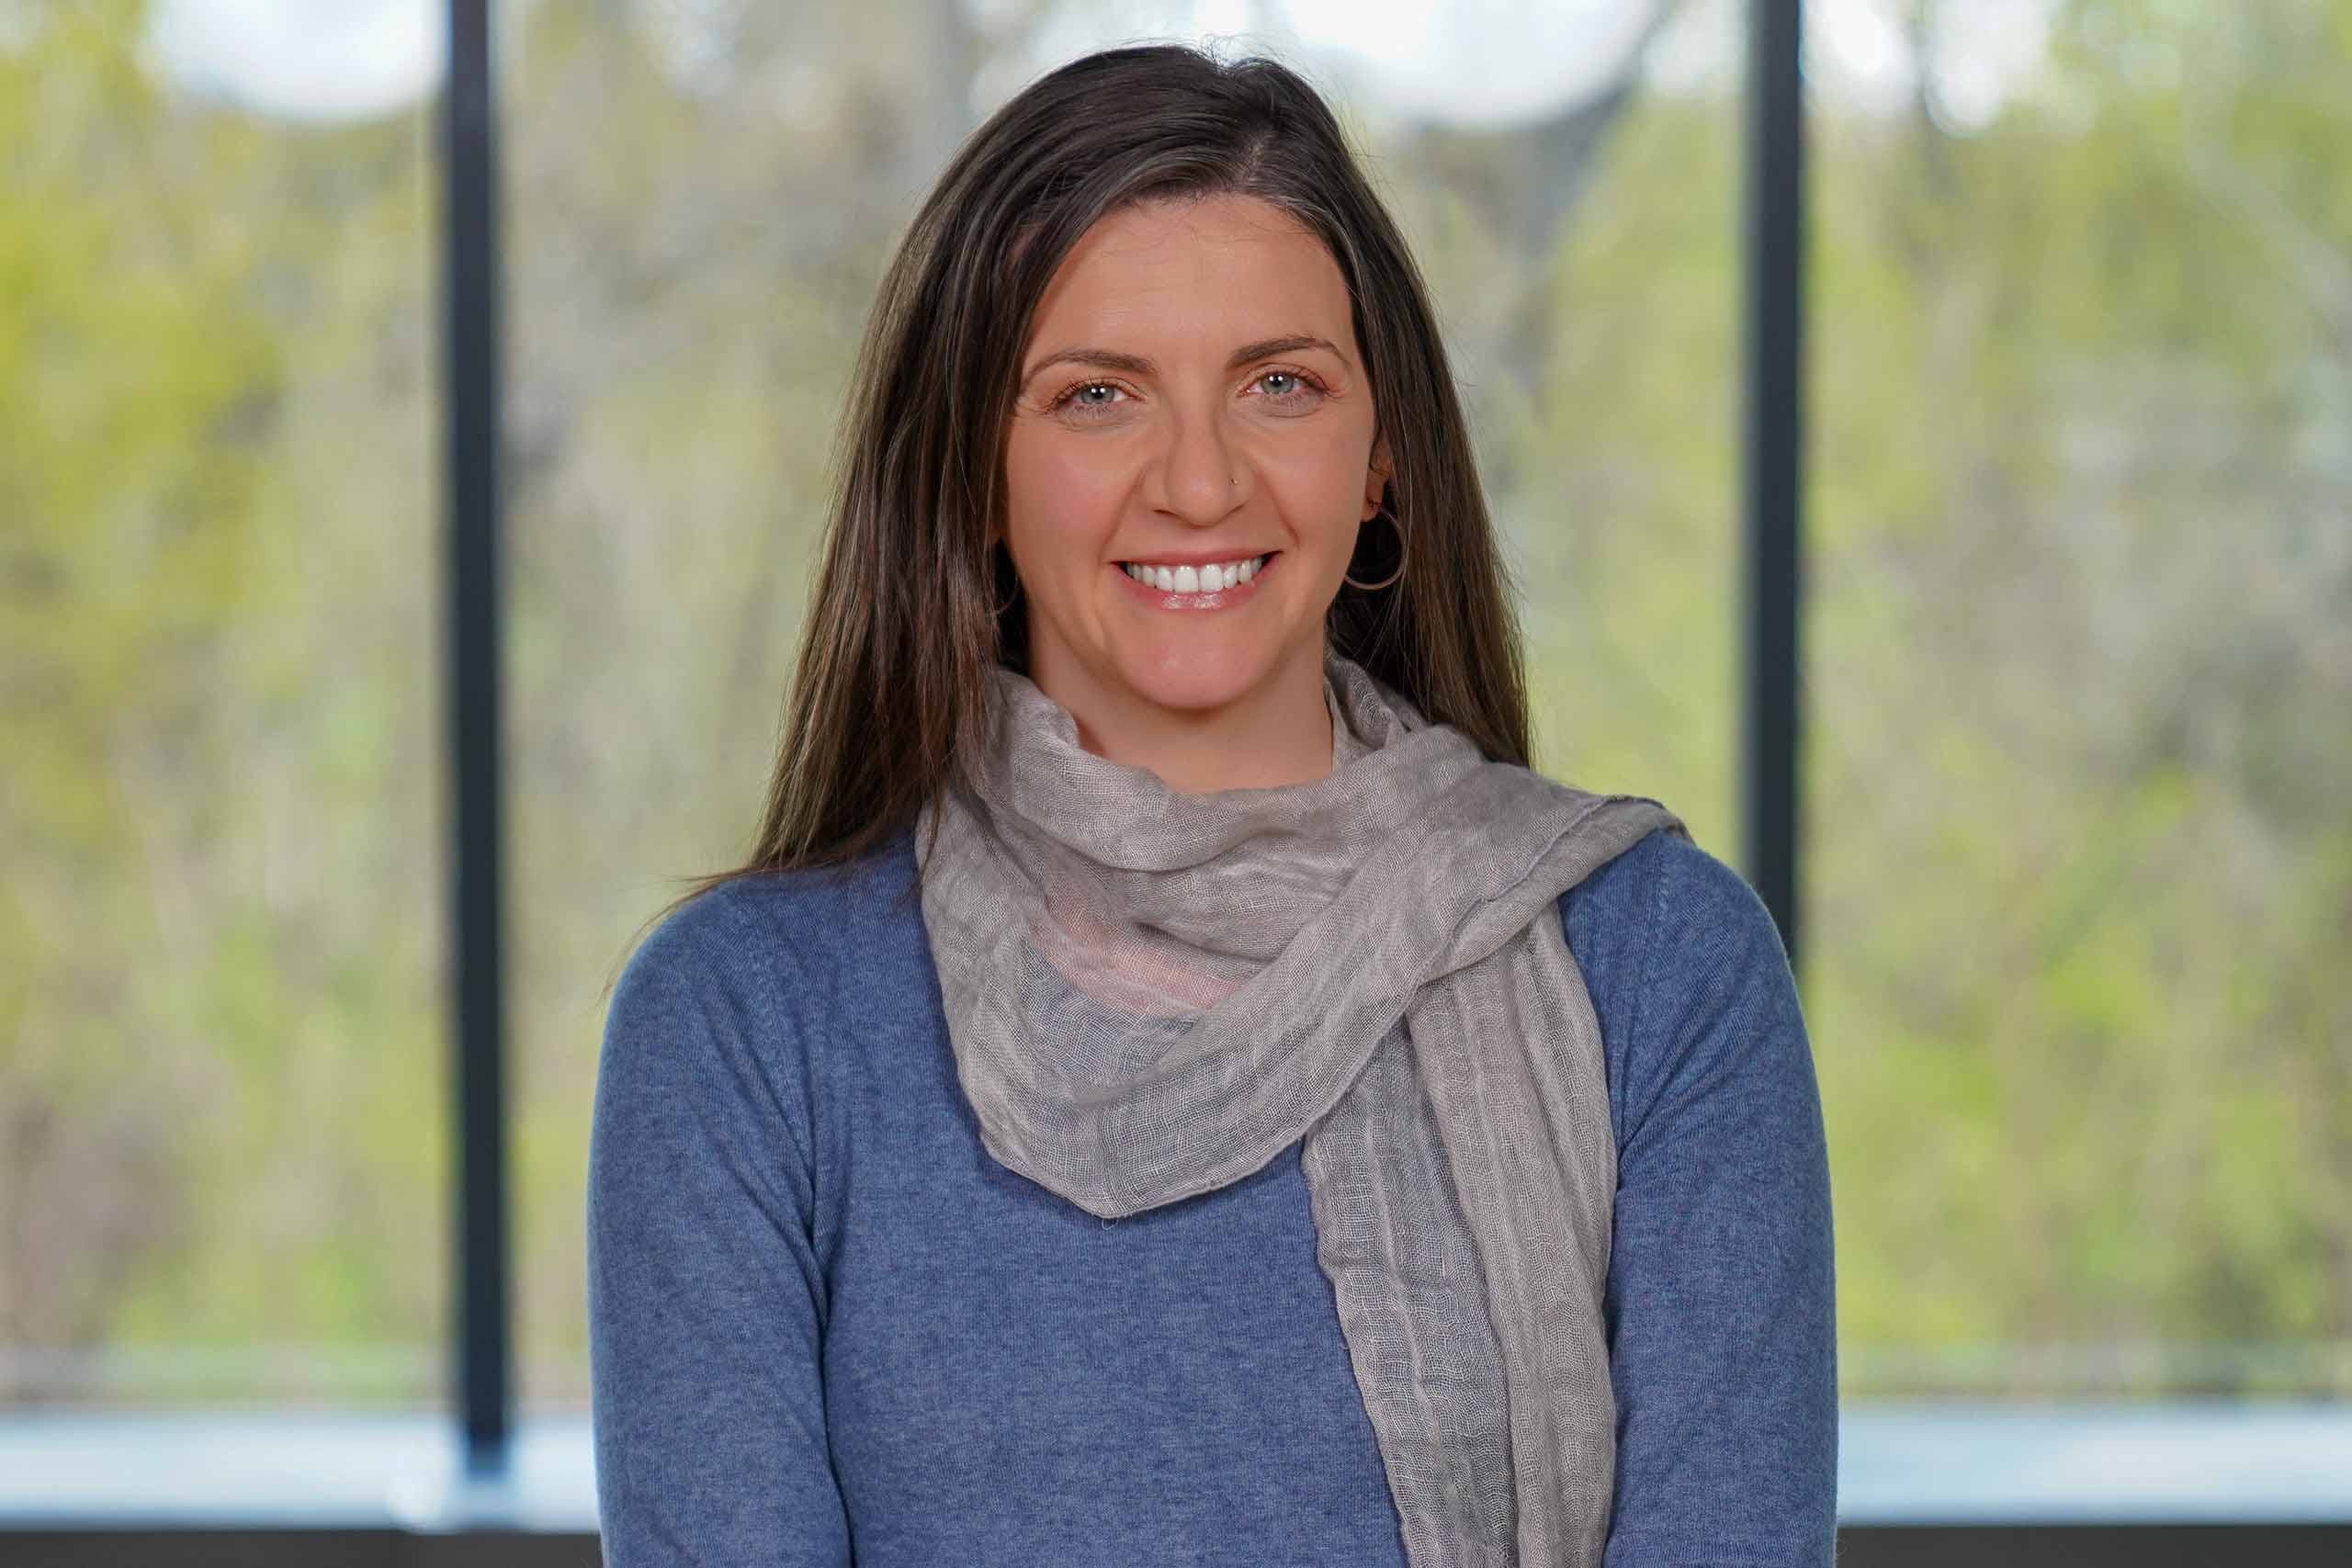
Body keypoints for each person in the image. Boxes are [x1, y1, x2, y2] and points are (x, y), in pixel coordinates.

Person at [586, 40, 1836, 1568]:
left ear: (1382, 460)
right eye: (1098, 396)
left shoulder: (1661, 974)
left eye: (1281, 385)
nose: (1198, 482)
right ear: (976, 470)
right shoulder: (743, 1028)